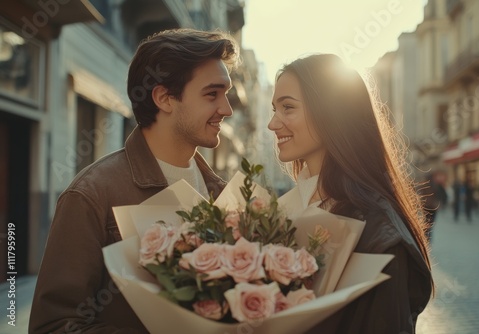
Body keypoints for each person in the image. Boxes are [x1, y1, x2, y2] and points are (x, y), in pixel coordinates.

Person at [29, 28, 239, 333]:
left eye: (227, 94)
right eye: (212, 94)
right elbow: (53, 325)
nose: (227, 109)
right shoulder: (92, 194)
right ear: (165, 98)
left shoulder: (221, 193)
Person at [267, 54, 433, 333]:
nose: (273, 123)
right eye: (274, 109)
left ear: (330, 112)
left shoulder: (378, 228)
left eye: (288, 108)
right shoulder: (284, 211)